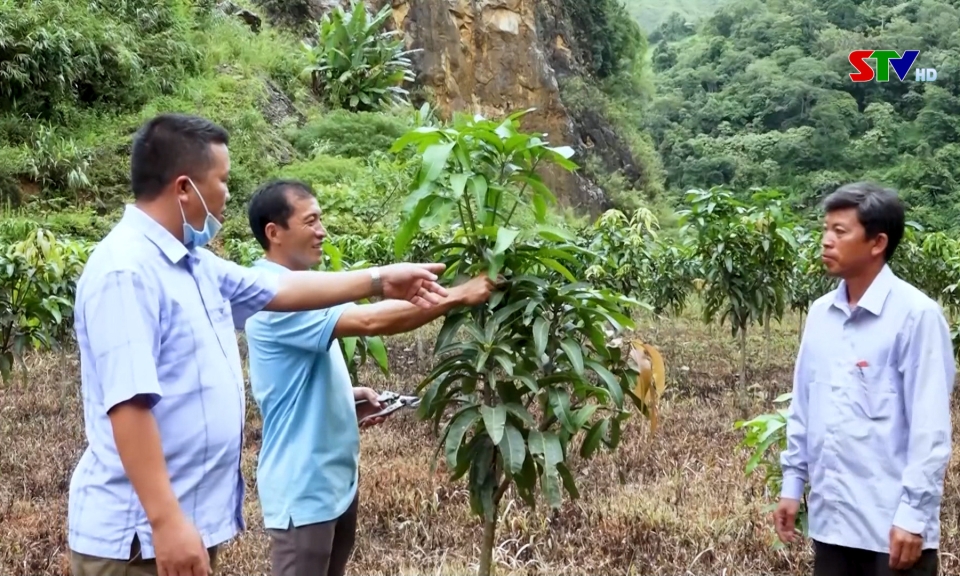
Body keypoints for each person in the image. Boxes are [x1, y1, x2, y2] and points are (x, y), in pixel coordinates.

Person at [67, 113, 452, 576]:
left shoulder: (193, 263)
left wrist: (379, 279)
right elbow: (128, 406)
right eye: (223, 180)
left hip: (179, 527)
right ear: (185, 188)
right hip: (136, 539)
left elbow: (281, 291)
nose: (228, 194)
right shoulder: (125, 271)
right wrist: (166, 520)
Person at [242, 179, 496, 576]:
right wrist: (458, 295)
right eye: (311, 221)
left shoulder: (303, 288)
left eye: (321, 219)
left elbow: (299, 370)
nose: (322, 231)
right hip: (304, 488)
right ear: (274, 232)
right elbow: (371, 320)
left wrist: (344, 397)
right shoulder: (272, 294)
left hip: (333, 482)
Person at [774, 182, 955, 576]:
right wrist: (793, 483)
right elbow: (805, 406)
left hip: (893, 530)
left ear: (877, 243)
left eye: (840, 231)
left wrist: (913, 514)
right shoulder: (821, 315)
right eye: (825, 229)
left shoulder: (916, 317)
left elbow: (930, 430)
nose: (825, 241)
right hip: (833, 522)